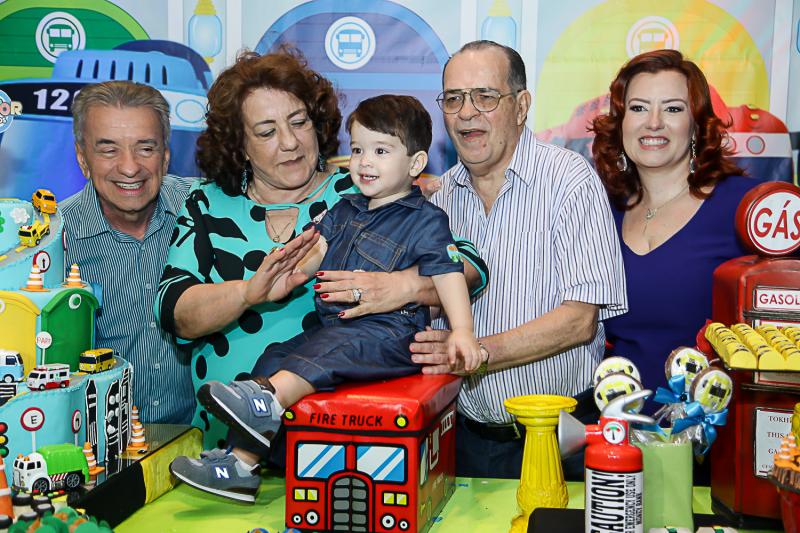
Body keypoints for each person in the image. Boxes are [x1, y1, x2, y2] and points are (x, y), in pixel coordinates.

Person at [154, 51, 487, 460]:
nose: (290, 141)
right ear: (240, 145)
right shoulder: (207, 203)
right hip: (220, 440)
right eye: (267, 131)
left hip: (338, 443)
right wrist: (248, 293)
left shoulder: (362, 189)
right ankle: (239, 460)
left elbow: (467, 263)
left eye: (298, 122)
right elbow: (173, 308)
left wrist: (403, 287)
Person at [409, 40, 628, 480]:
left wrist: (477, 352)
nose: (466, 112)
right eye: (453, 99)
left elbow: (580, 320)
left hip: (561, 442)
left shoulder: (569, 180)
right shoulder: (438, 199)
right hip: (464, 441)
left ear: (522, 105)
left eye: (485, 96)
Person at [591, 49, 758, 404]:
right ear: (621, 123)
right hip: (618, 426)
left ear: (696, 124)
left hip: (715, 429)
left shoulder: (747, 207)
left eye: (672, 109)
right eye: (638, 108)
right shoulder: (602, 212)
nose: (653, 123)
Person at [61, 80, 195, 424]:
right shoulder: (54, 242)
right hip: (97, 446)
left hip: (207, 439)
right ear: (82, 159)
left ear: (166, 156)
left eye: (145, 148)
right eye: (109, 150)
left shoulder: (206, 211)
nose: (130, 167)